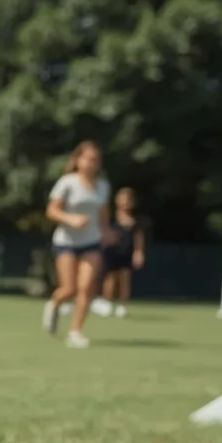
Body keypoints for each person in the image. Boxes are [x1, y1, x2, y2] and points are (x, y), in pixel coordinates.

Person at [41, 140, 114, 349]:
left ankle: (75, 332)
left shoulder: (102, 186)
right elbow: (52, 211)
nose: (92, 163)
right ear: (78, 160)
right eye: (88, 158)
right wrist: (71, 219)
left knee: (86, 288)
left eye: (96, 160)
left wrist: (107, 232)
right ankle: (54, 304)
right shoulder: (67, 182)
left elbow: (103, 215)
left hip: (91, 242)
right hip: (67, 241)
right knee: (69, 288)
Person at [99, 187, 145, 318]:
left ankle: (122, 305)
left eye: (128, 200)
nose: (125, 202)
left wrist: (138, 252)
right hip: (112, 251)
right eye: (122, 199)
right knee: (110, 278)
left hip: (127, 252)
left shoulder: (135, 221)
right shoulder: (111, 218)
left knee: (125, 279)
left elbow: (138, 237)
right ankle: (107, 303)